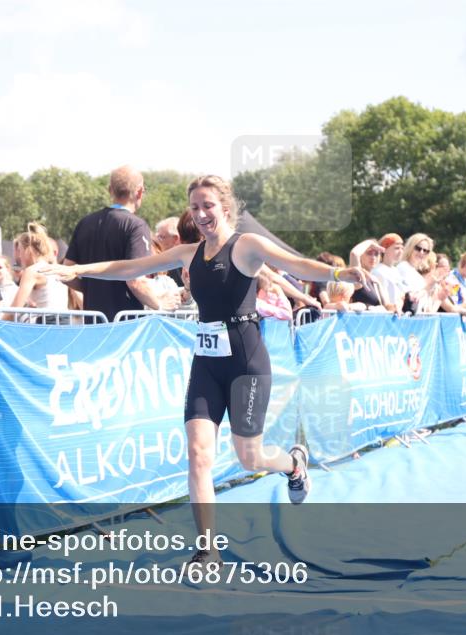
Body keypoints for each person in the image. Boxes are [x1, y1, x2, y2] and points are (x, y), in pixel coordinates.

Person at [41, 175, 371, 566]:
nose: (200, 214)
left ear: (225, 208)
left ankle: (293, 464)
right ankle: (208, 549)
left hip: (246, 364)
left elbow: (294, 264)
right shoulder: (187, 254)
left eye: (208, 206)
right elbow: (129, 266)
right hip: (206, 365)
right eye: (194, 208)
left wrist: (336, 275)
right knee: (199, 454)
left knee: (250, 457)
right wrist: (77, 270)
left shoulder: (246, 246)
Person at [64, 166, 179, 322]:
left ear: (110, 190)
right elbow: (135, 280)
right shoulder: (136, 226)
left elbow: (66, 272)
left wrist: (92, 289)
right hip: (124, 327)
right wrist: (159, 304)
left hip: (93, 324)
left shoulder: (85, 223)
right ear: (139, 192)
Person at [9, 223, 69, 321]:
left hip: (47, 325)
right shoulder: (57, 269)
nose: (19, 256)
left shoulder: (32, 271)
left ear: (27, 250)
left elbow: (14, 310)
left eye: (20, 250)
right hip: (66, 323)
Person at [349, 239, 392, 311]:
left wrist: (397, 306)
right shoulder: (358, 277)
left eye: (376, 254)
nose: (373, 257)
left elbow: (387, 306)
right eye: (369, 253)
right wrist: (370, 242)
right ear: (361, 256)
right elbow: (354, 254)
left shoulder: (376, 280)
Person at [372, 233, 409, 307]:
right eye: (397, 248)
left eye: (402, 248)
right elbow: (382, 299)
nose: (400, 251)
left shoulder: (396, 270)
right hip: (389, 313)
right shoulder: (378, 271)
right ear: (384, 249)